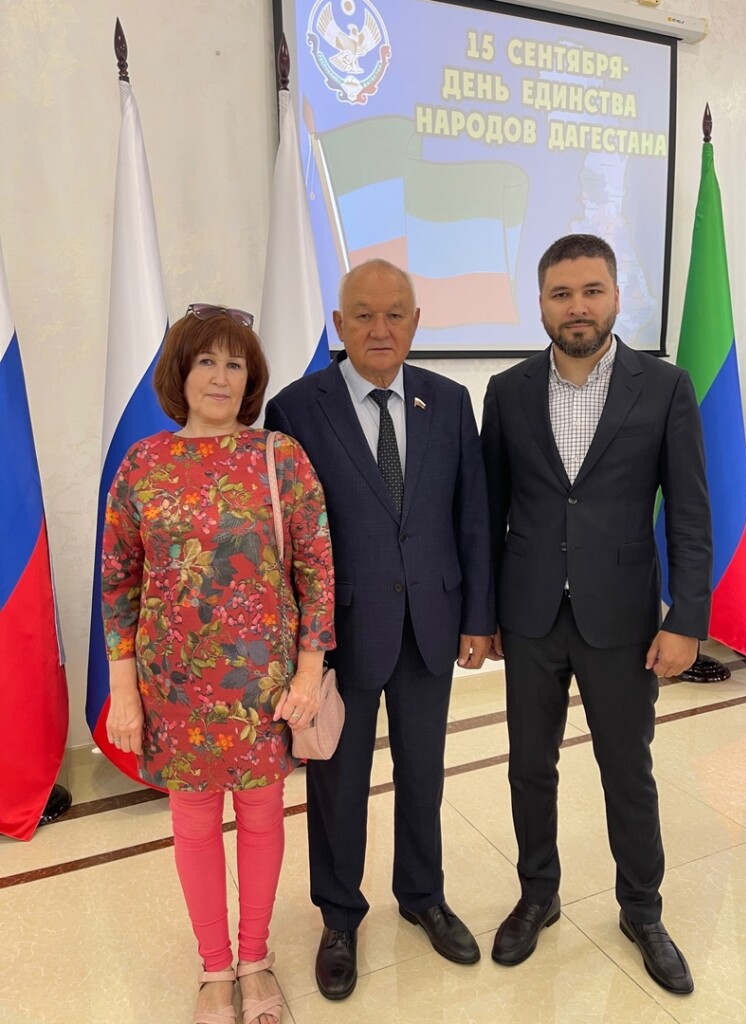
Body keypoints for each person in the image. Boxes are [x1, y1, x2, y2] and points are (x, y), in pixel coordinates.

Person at [481, 234, 712, 995]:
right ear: (541, 304)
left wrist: (687, 619)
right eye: (561, 294)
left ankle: (642, 910)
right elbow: (488, 511)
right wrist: (483, 613)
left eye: (591, 291)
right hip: (530, 613)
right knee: (528, 766)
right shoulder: (508, 391)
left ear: (616, 296)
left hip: (624, 616)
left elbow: (690, 510)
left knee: (627, 769)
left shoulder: (665, 387)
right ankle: (537, 895)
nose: (576, 307)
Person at [264, 259, 495, 1000]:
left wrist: (478, 618)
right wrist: (298, 647)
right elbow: (285, 539)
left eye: (396, 313)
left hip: (432, 624)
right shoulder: (296, 409)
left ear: (416, 323)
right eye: (362, 314)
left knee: (425, 773)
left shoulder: (449, 401)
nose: (380, 328)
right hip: (339, 636)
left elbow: (471, 515)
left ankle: (423, 896)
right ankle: (339, 916)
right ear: (339, 325)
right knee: (338, 784)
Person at [102, 303, 335, 1024]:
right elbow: (118, 584)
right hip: (172, 686)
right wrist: (124, 694)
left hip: (263, 685)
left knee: (263, 817)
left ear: (251, 380)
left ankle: (255, 961)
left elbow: (317, 570)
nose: (220, 376)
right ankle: (214, 969)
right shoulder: (143, 464)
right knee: (195, 823)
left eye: (236, 364)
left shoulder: (280, 457)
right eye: (206, 360)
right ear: (180, 372)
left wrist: (308, 673)